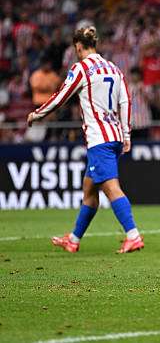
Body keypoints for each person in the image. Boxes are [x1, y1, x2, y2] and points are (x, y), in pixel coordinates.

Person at [26, 26, 143, 254]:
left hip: (99, 138)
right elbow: (126, 102)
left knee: (111, 188)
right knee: (89, 191)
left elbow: (61, 96)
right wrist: (126, 134)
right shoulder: (114, 69)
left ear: (78, 46)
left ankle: (133, 235)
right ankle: (74, 239)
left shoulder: (81, 69)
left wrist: (38, 114)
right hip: (115, 135)